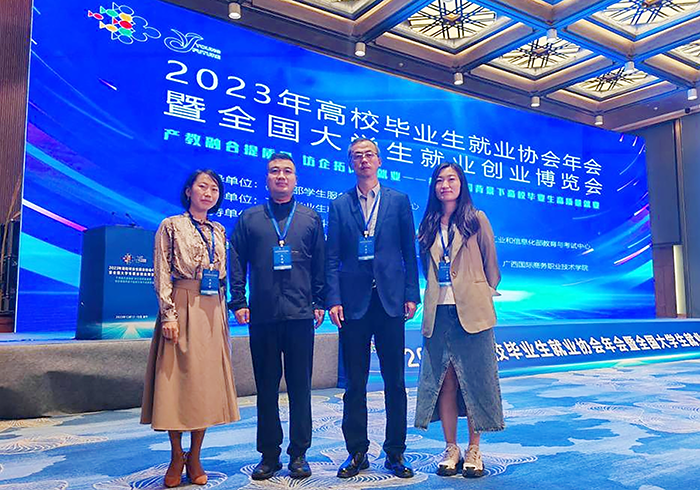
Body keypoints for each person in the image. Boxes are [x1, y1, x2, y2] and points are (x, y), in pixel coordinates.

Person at [326, 138, 420, 479]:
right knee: (355, 383)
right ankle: (357, 452)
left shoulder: (398, 200)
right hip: (353, 304)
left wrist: (412, 293)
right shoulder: (340, 205)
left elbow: (409, 251)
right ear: (351, 163)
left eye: (369, 154)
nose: (363, 160)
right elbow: (332, 257)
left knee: (395, 381)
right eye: (357, 156)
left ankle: (395, 452)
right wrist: (333, 299)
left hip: (391, 301)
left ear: (379, 161)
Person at [141, 169, 240, 488]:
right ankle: (175, 455)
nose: (208, 193)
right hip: (181, 305)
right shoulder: (171, 225)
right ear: (188, 191)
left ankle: (195, 455)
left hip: (212, 307)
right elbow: (162, 272)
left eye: (214, 189)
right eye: (202, 187)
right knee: (177, 382)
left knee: (204, 384)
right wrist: (168, 315)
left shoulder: (219, 229)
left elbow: (222, 273)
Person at [229, 153, 325, 480]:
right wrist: (238, 301)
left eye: (287, 171)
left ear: (295, 179)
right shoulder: (250, 218)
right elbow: (236, 261)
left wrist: (320, 301)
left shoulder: (310, 218)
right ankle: (269, 455)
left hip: (300, 315)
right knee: (266, 389)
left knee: (300, 388)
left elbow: (320, 263)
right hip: (263, 315)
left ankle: (299, 454)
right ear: (267, 179)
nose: (281, 176)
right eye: (274, 171)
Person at [413, 162, 504, 478]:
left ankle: (474, 449)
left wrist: (481, 292)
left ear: (461, 184)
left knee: (475, 380)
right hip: (438, 311)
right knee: (446, 381)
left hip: (472, 312)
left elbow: (491, 264)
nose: (445, 185)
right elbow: (425, 267)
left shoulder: (476, 219)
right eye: (439, 180)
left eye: (451, 179)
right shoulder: (428, 223)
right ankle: (451, 447)